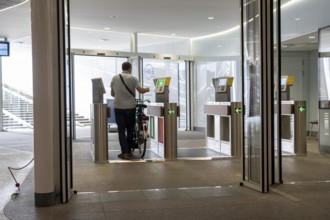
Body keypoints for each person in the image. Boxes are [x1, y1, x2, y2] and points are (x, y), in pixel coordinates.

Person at [110, 61, 150, 159]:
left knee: (121, 130)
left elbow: (112, 94)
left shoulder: (114, 78)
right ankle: (129, 151)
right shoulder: (133, 78)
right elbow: (140, 90)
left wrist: (120, 96)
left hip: (118, 108)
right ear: (130, 68)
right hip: (130, 108)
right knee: (130, 129)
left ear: (122, 68)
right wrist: (148, 89)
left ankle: (124, 152)